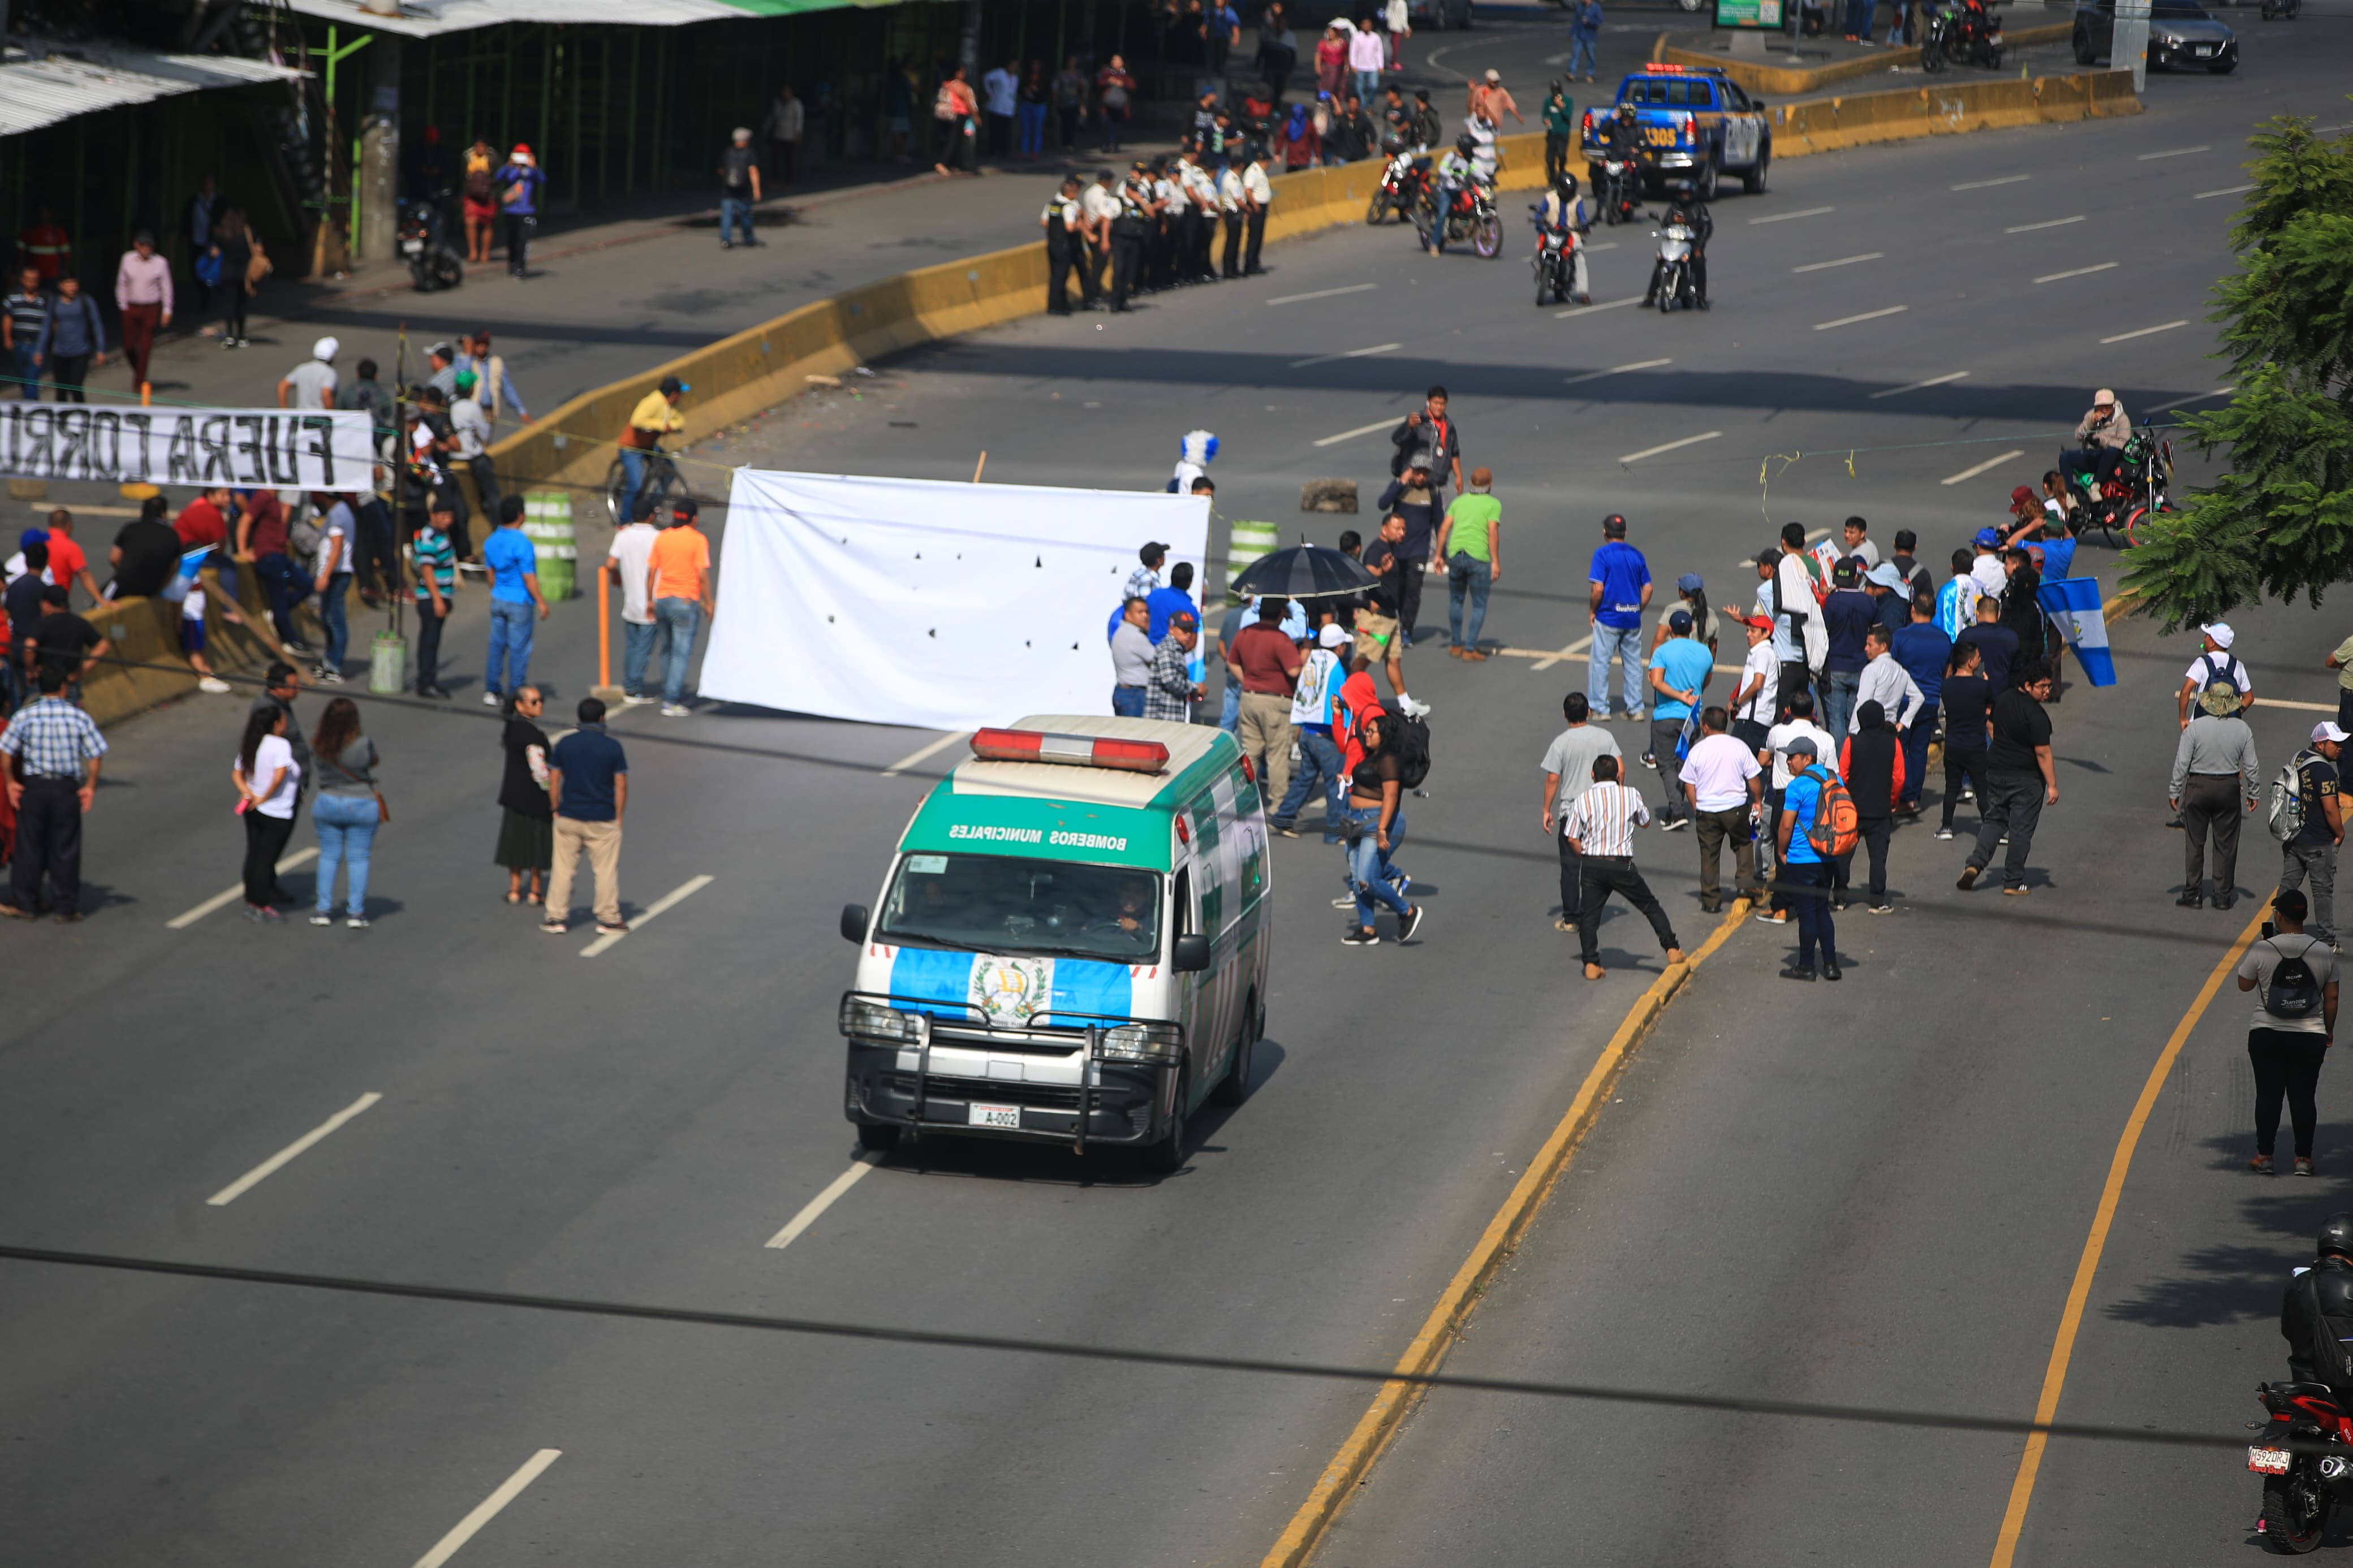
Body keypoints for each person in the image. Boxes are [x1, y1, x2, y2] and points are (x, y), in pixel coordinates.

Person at [1562, 754, 1684, 982]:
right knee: (1649, 905)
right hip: (1621, 863)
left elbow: (1571, 837)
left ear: (1592, 776)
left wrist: (1586, 857)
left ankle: (1591, 963)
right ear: (1618, 775)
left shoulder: (1583, 799)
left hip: (1593, 864)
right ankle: (1672, 949)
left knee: (1589, 917)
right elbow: (1646, 821)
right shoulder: (1630, 794)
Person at [2241, 891, 2338, 1177]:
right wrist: (2328, 1030)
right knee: (2304, 1097)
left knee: (2268, 1095)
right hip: (2310, 1035)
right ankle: (2304, 1159)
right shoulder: (2323, 951)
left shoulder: (2265, 949)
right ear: (2306, 916)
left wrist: (2262, 949)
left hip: (2267, 1032)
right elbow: (2331, 998)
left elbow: (2244, 985)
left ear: (2279, 916)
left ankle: (2265, 1156)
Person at [0, 664, 105, 921]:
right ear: (63, 688)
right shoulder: (78, 717)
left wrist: (12, 781)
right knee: (65, 847)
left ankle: (25, 903)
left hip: (34, 787)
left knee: (29, 846)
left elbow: (6, 751)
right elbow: (95, 754)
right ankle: (66, 906)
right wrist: (90, 786)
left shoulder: (25, 716)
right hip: (65, 788)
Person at [1959, 661, 2057, 896]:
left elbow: (1991, 726)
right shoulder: (2037, 716)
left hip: (1996, 772)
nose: (2046, 691)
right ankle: (2013, 882)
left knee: (1994, 821)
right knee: (2020, 830)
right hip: (2026, 779)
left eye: (2049, 686)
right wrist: (2052, 785)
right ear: (2027, 685)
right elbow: (2043, 753)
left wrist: (2003, 745)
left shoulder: (2004, 700)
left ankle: (1975, 864)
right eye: (2042, 686)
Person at [543, 698, 630, 938]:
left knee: (562, 869)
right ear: (602, 718)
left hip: (569, 815)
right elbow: (621, 785)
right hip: (602, 819)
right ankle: (608, 919)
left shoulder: (565, 744)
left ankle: (556, 917)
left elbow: (554, 778)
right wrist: (618, 816)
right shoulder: (612, 747)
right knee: (605, 871)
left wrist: (555, 807)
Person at [2170, 680, 2260, 910]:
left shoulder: (2195, 728)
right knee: (2226, 844)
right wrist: (2254, 792)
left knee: (2195, 843)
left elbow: (2182, 763)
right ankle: (2222, 896)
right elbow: (2251, 766)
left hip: (2198, 787)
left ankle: (2193, 893)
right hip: (2229, 788)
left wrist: (2174, 791)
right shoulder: (2243, 730)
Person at [1340, 706, 1424, 947]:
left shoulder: (1388, 761)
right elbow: (1367, 783)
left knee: (1369, 879)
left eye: (1372, 731)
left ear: (1384, 735)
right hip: (1357, 820)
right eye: (1367, 731)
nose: (1367, 734)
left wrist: (1381, 829)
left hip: (1379, 822)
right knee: (1358, 879)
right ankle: (1368, 929)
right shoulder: (1372, 756)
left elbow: (1390, 796)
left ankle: (1407, 912)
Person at [1540, 691, 1623, 933]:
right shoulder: (1605, 736)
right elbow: (1620, 768)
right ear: (1588, 712)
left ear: (1565, 715)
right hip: (1600, 812)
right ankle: (1593, 913)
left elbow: (1553, 779)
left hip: (1573, 813)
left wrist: (1546, 810)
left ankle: (1571, 919)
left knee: (1570, 868)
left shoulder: (1561, 742)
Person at [1680, 706, 1763, 914]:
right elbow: (1753, 778)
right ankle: (1745, 887)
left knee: (1709, 854)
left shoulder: (1698, 750)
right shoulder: (1739, 746)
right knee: (1744, 844)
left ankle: (1711, 900)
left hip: (1707, 811)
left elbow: (1689, 784)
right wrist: (1758, 801)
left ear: (1705, 727)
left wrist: (1696, 806)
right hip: (1736, 809)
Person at [305, 696, 379, 928]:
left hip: (327, 802)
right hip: (360, 803)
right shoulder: (363, 743)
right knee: (358, 858)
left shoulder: (319, 743)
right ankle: (356, 913)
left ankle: (323, 909)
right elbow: (373, 761)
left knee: (328, 856)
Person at [1274, 623, 1351, 839]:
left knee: (1305, 779)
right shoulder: (1336, 666)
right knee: (1336, 786)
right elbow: (1342, 700)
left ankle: (1283, 817)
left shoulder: (1313, 659)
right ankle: (1335, 834)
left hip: (1307, 733)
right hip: (1326, 737)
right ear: (1339, 647)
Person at [1775, 736, 1840, 979]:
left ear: (1808, 758)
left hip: (1803, 858)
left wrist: (1782, 852)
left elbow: (1786, 826)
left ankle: (1806, 966)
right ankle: (1831, 965)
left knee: (1806, 912)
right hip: (1829, 856)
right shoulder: (1834, 778)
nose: (1788, 761)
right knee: (1822, 909)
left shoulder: (1797, 786)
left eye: (1792, 757)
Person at [1231, 597, 1304, 806]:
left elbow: (1233, 662)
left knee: (1251, 752)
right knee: (1277, 756)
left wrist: (1248, 682)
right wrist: (1304, 656)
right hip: (1276, 702)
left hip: (1249, 698)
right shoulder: (1281, 639)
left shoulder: (1245, 633)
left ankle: (1243, 800)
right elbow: (1293, 670)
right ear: (1281, 613)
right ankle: (1278, 804)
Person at [233, 703, 301, 923]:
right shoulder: (280, 745)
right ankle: (261, 904)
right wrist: (265, 797)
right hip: (276, 812)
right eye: (282, 720)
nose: (286, 724)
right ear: (275, 724)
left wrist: (249, 794)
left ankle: (252, 900)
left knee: (254, 854)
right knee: (266, 859)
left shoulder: (251, 743)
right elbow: (279, 776)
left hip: (252, 809)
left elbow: (237, 774)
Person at [1644, 610, 1712, 828]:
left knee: (1666, 765)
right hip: (1691, 718)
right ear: (1692, 629)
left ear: (1670, 630)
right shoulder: (1704, 652)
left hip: (1665, 716)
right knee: (1683, 764)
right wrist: (1690, 697)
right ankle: (1677, 806)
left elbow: (1656, 682)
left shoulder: (1662, 651)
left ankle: (1676, 810)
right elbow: (1706, 680)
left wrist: (1678, 695)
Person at [647, 499, 713, 717]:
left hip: (662, 599)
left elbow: (652, 571)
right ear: (694, 519)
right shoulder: (697, 540)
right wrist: (709, 602)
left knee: (666, 650)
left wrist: (649, 600)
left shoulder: (663, 537)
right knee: (681, 653)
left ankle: (670, 691)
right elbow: (702, 575)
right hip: (685, 601)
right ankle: (672, 700)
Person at [2281, 723, 2346, 945]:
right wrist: (2340, 833)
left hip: (2295, 838)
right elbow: (2330, 808)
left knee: (2288, 886)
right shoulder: (2325, 771)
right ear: (2321, 744)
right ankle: (2328, 942)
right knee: (2322, 893)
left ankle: (2274, 933)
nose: (2340, 748)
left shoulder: (2299, 758)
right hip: (2318, 843)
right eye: (2335, 743)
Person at [1835, 701, 1903, 914]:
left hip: (1853, 811)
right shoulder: (1893, 744)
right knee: (1878, 858)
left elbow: (1843, 776)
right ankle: (1877, 901)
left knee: (1843, 855)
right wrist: (1892, 801)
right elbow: (1899, 778)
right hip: (1881, 810)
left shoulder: (1851, 743)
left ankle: (1839, 898)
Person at [1587, 512, 1652, 721]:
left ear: (1605, 532)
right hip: (1632, 618)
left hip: (1608, 618)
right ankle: (1636, 708)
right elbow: (1648, 588)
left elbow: (1598, 589)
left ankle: (1600, 708)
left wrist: (1592, 610)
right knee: (1633, 664)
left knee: (1600, 663)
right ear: (1625, 532)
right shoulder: (1637, 555)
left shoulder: (1602, 554)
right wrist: (1637, 608)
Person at [1889, 595, 1950, 816]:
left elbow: (1891, 669)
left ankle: (1904, 794)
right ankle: (1913, 796)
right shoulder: (1944, 639)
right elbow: (1947, 672)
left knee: (1901, 747)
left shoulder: (1901, 636)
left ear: (1913, 610)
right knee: (1919, 749)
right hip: (1931, 700)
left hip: (1904, 702)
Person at [1355, 515, 1423, 712]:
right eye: (1397, 529)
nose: (1402, 533)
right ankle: (1345, 696)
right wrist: (1381, 572)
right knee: (1364, 659)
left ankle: (1405, 704)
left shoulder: (1392, 549)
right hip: (1377, 618)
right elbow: (1367, 573)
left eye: (1404, 529)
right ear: (1384, 529)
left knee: (1394, 660)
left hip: (1390, 616)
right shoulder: (1377, 549)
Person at [498, 685, 556, 906]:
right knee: (536, 846)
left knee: (515, 843)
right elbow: (540, 771)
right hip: (534, 799)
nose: (539, 705)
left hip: (513, 796)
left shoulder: (511, 728)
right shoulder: (534, 736)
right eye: (534, 702)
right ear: (520, 705)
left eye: (541, 701)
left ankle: (514, 890)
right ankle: (535, 890)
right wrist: (552, 792)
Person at [1437, 467, 1502, 658]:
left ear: (1471, 484)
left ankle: (1456, 645)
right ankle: (1470, 648)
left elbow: (1444, 529)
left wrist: (1439, 555)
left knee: (1456, 600)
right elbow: (1492, 532)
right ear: (1489, 485)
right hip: (1478, 557)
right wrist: (1496, 561)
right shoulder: (1493, 504)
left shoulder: (1459, 502)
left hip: (1456, 554)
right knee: (1479, 604)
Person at [1372, 462, 1440, 642]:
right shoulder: (1399, 487)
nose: (1421, 477)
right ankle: (1396, 622)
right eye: (1418, 473)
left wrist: (1440, 553)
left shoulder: (1433, 491)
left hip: (1419, 550)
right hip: (1397, 549)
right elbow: (1383, 504)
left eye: (1425, 474)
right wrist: (1401, 482)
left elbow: (1439, 522)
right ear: (1411, 471)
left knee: (1413, 590)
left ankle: (1407, 629)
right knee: (1397, 588)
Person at [605, 498, 661, 705]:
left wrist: (616, 576)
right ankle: (633, 687)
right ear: (651, 516)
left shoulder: (624, 535)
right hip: (651, 601)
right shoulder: (658, 537)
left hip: (630, 602)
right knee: (643, 649)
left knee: (632, 646)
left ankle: (629, 681)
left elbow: (610, 564)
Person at [1936, 641, 1993, 842]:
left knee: (1952, 787)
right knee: (1982, 789)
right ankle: (1990, 828)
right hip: (1976, 746)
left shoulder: (1946, 686)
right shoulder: (1983, 686)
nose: (1980, 660)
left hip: (1953, 745)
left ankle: (1946, 827)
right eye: (1978, 657)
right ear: (1970, 662)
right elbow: (1989, 710)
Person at [408, 495, 458, 698]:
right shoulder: (429, 538)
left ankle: (429, 679)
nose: (448, 520)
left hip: (439, 595)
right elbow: (427, 570)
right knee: (429, 641)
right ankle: (426, 682)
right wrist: (437, 599)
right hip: (431, 598)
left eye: (450, 516)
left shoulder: (441, 535)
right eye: (444, 516)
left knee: (433, 641)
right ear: (433, 516)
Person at [31, 275, 105, 401]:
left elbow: (97, 325)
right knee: (61, 390)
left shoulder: (85, 301)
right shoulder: (54, 303)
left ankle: (81, 414)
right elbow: (46, 327)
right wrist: (39, 350)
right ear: (61, 286)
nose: (72, 287)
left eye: (74, 284)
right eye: (68, 284)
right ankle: (61, 418)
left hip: (81, 352)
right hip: (59, 353)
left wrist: (101, 350)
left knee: (76, 386)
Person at [113, 231, 171, 388]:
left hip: (151, 308)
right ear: (136, 245)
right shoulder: (127, 259)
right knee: (129, 346)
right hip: (131, 307)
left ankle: (139, 381)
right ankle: (139, 371)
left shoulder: (160, 263)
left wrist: (167, 310)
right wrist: (123, 306)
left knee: (145, 346)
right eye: (143, 245)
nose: (146, 249)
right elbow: (122, 284)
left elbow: (166, 287)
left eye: (149, 246)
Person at [309, 493, 355, 683]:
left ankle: (334, 666)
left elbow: (336, 547)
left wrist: (325, 576)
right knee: (328, 618)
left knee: (334, 620)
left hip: (336, 574)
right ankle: (328, 662)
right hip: (335, 573)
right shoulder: (341, 511)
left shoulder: (337, 514)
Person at [2178, 621, 2255, 731]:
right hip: (2228, 731)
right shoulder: (2238, 666)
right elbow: (2249, 698)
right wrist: (2230, 712)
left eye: (2207, 636)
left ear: (2212, 643)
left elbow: (2186, 691)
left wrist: (2182, 718)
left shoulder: (2202, 662)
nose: (2204, 639)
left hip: (2201, 728)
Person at [107, 498, 181, 600]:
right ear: (163, 514)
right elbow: (173, 568)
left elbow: (114, 559)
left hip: (125, 585)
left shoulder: (130, 528)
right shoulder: (173, 536)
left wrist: (129, 575)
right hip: (152, 589)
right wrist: (159, 588)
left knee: (98, 605)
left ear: (142, 512)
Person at [1729, 612, 1778, 751]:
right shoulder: (1765, 652)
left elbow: (1758, 684)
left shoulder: (1762, 652)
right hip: (1758, 719)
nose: (1748, 634)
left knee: (1737, 762)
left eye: (1753, 631)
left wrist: (1737, 702)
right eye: (1747, 630)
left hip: (1751, 719)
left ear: (1766, 633)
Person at [2065, 387, 2131, 490]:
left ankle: (2096, 486)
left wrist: (2102, 441)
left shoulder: (2122, 419)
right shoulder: (2091, 415)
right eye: (2101, 406)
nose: (2104, 409)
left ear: (2113, 404)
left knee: (2111, 451)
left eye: (2107, 406)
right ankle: (2068, 495)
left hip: (2111, 460)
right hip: (2093, 455)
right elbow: (2078, 435)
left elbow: (2125, 445)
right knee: (2065, 457)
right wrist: (2091, 423)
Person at [1956, 590, 2020, 693]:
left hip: (1971, 694)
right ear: (1998, 615)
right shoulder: (2011, 637)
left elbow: (1956, 666)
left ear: (1977, 614)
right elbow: (2017, 670)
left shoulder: (1966, 636)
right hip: (2002, 696)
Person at [1145, 611, 1204, 722]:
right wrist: (1196, 687)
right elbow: (1170, 680)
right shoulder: (1167, 648)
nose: (1189, 635)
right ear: (1171, 629)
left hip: (1170, 715)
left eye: (1190, 630)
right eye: (1184, 630)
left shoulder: (1177, 649)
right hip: (1162, 717)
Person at [495, 145, 545, 277]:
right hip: (511, 210)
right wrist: (509, 165)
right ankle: (512, 263)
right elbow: (498, 177)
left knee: (523, 239)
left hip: (527, 211)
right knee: (511, 239)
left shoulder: (532, 171)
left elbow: (543, 180)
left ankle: (520, 266)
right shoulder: (511, 170)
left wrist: (534, 166)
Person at [1043, 175, 1087, 314]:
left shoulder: (1052, 205)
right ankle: (1056, 307)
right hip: (1063, 246)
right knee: (1061, 277)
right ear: (1070, 193)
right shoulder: (1068, 207)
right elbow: (1070, 228)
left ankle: (1057, 304)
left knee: (1055, 275)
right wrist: (1078, 222)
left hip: (1052, 243)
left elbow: (1044, 223)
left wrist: (1056, 227)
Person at [5, 265, 46, 401]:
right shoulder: (12, 298)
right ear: (22, 280)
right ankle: (33, 402)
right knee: (24, 377)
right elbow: (7, 319)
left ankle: (30, 405)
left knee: (32, 377)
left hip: (37, 345)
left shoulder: (44, 299)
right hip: (19, 344)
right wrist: (7, 338)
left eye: (34, 280)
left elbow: (50, 322)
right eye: (28, 279)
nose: (31, 283)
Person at [718, 128, 763, 249]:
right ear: (746, 140)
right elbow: (753, 171)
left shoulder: (728, 152)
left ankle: (726, 240)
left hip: (727, 190)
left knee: (727, 217)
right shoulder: (750, 153)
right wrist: (757, 189)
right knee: (746, 216)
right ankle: (748, 239)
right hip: (744, 192)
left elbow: (721, 170)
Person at [1110, 596, 1153, 716]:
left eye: (1147, 612)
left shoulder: (1121, 632)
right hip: (1135, 695)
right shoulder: (1134, 636)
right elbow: (1158, 660)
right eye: (1140, 612)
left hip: (1125, 692)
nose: (1145, 616)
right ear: (1128, 615)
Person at [462, 137, 499, 264]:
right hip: (472, 196)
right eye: (478, 146)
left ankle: (485, 253)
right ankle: (473, 252)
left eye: (483, 146)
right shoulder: (468, 157)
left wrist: (486, 184)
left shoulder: (493, 157)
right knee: (470, 222)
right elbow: (461, 176)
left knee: (488, 224)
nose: (480, 149)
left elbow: (499, 176)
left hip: (488, 196)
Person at [277, 335, 339, 411]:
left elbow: (282, 386)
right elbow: (326, 394)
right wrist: (331, 415)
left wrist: (284, 411)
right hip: (320, 420)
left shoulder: (302, 368)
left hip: (301, 418)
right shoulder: (329, 373)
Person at [762, 86, 804, 185]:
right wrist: (766, 128)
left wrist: (798, 133)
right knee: (776, 158)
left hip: (790, 135)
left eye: (787, 92)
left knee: (789, 159)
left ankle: (788, 180)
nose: (785, 94)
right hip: (778, 134)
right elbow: (772, 117)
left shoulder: (796, 103)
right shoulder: (778, 103)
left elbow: (799, 119)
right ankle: (776, 179)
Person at [1541, 81, 1578, 187]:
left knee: (1562, 155)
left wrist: (1562, 107)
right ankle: (1552, 180)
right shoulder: (1548, 101)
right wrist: (1546, 121)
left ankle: (1562, 173)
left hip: (1563, 133)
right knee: (1550, 158)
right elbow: (1544, 115)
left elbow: (1568, 116)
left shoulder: (1568, 101)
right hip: (1552, 133)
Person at [1570, 0, 1605, 78]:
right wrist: (1572, 33)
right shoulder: (1580, 6)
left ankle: (1590, 74)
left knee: (1591, 56)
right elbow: (1576, 20)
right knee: (1575, 54)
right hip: (1579, 34)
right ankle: (1572, 73)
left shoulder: (1596, 8)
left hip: (1590, 36)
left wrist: (1589, 22)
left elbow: (1600, 21)